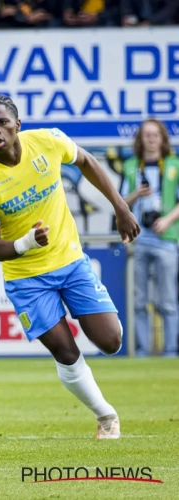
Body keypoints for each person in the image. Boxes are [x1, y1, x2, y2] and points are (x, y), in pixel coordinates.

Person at [0, 94, 140, 439]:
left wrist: (120, 207)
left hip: (70, 261)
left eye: (1, 122)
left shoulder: (48, 141)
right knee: (64, 350)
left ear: (17, 124)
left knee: (111, 341)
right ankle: (105, 416)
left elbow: (87, 161)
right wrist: (27, 243)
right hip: (26, 278)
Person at [120, 118, 179, 357]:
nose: (152, 139)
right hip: (139, 239)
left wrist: (167, 220)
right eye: (147, 135)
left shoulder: (174, 164)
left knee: (168, 299)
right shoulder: (131, 165)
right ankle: (142, 350)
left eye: (156, 135)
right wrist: (137, 194)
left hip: (166, 239)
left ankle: (171, 350)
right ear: (141, 139)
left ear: (162, 139)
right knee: (138, 300)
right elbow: (121, 202)